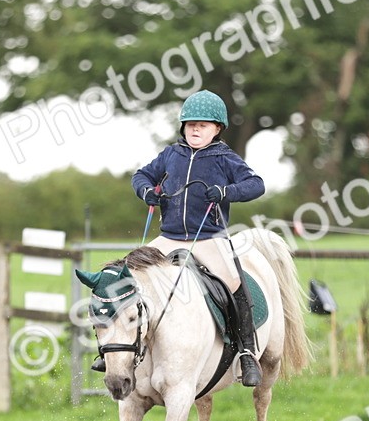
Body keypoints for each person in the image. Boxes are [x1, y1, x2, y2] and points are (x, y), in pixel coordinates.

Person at [91, 90, 266, 386]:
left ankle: (246, 351)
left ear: (217, 128)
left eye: (203, 125)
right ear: (183, 127)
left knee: (234, 282)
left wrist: (227, 192)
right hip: (169, 238)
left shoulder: (225, 158)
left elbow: (256, 184)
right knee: (125, 276)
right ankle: (110, 349)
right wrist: (147, 191)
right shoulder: (171, 154)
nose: (195, 129)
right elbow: (141, 176)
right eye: (190, 124)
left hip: (209, 238)